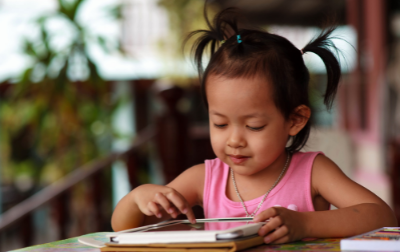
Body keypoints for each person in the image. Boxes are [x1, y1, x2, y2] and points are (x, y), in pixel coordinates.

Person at [111, 7, 397, 244]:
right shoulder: (204, 179)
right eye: (220, 124)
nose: (235, 140)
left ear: (294, 120)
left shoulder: (313, 173)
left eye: (255, 126)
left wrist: (306, 224)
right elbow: (124, 229)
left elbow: (382, 217)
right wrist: (138, 198)